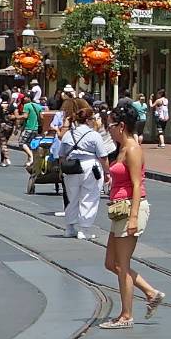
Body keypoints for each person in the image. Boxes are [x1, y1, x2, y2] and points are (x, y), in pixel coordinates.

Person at [101, 102, 165, 324]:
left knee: (123, 265)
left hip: (130, 208)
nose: (107, 129)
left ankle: (126, 315)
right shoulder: (121, 148)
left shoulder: (133, 149)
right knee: (111, 263)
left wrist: (134, 217)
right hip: (119, 209)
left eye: (110, 125)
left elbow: (138, 184)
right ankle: (151, 293)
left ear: (120, 126)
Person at [57, 97, 112, 239]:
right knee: (89, 196)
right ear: (88, 120)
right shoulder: (94, 135)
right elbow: (103, 156)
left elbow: (61, 154)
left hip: (71, 166)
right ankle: (84, 229)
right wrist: (107, 173)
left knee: (72, 197)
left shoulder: (68, 134)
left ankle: (69, 228)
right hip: (90, 166)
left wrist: (63, 168)